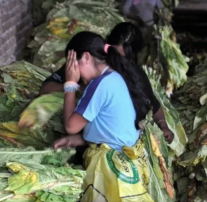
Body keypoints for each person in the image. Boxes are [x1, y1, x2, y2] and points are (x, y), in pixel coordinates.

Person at [53, 31, 155, 202]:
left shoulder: (99, 84)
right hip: (124, 162)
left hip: (111, 168)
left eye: (73, 64)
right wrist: (78, 140)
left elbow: (71, 126)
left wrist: (69, 84)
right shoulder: (114, 76)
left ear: (86, 57)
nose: (74, 72)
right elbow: (110, 125)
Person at [39, 22, 174, 144]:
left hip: (109, 154)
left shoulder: (104, 82)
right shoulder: (104, 74)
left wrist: (71, 84)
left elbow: (71, 127)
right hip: (110, 146)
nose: (119, 61)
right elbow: (109, 131)